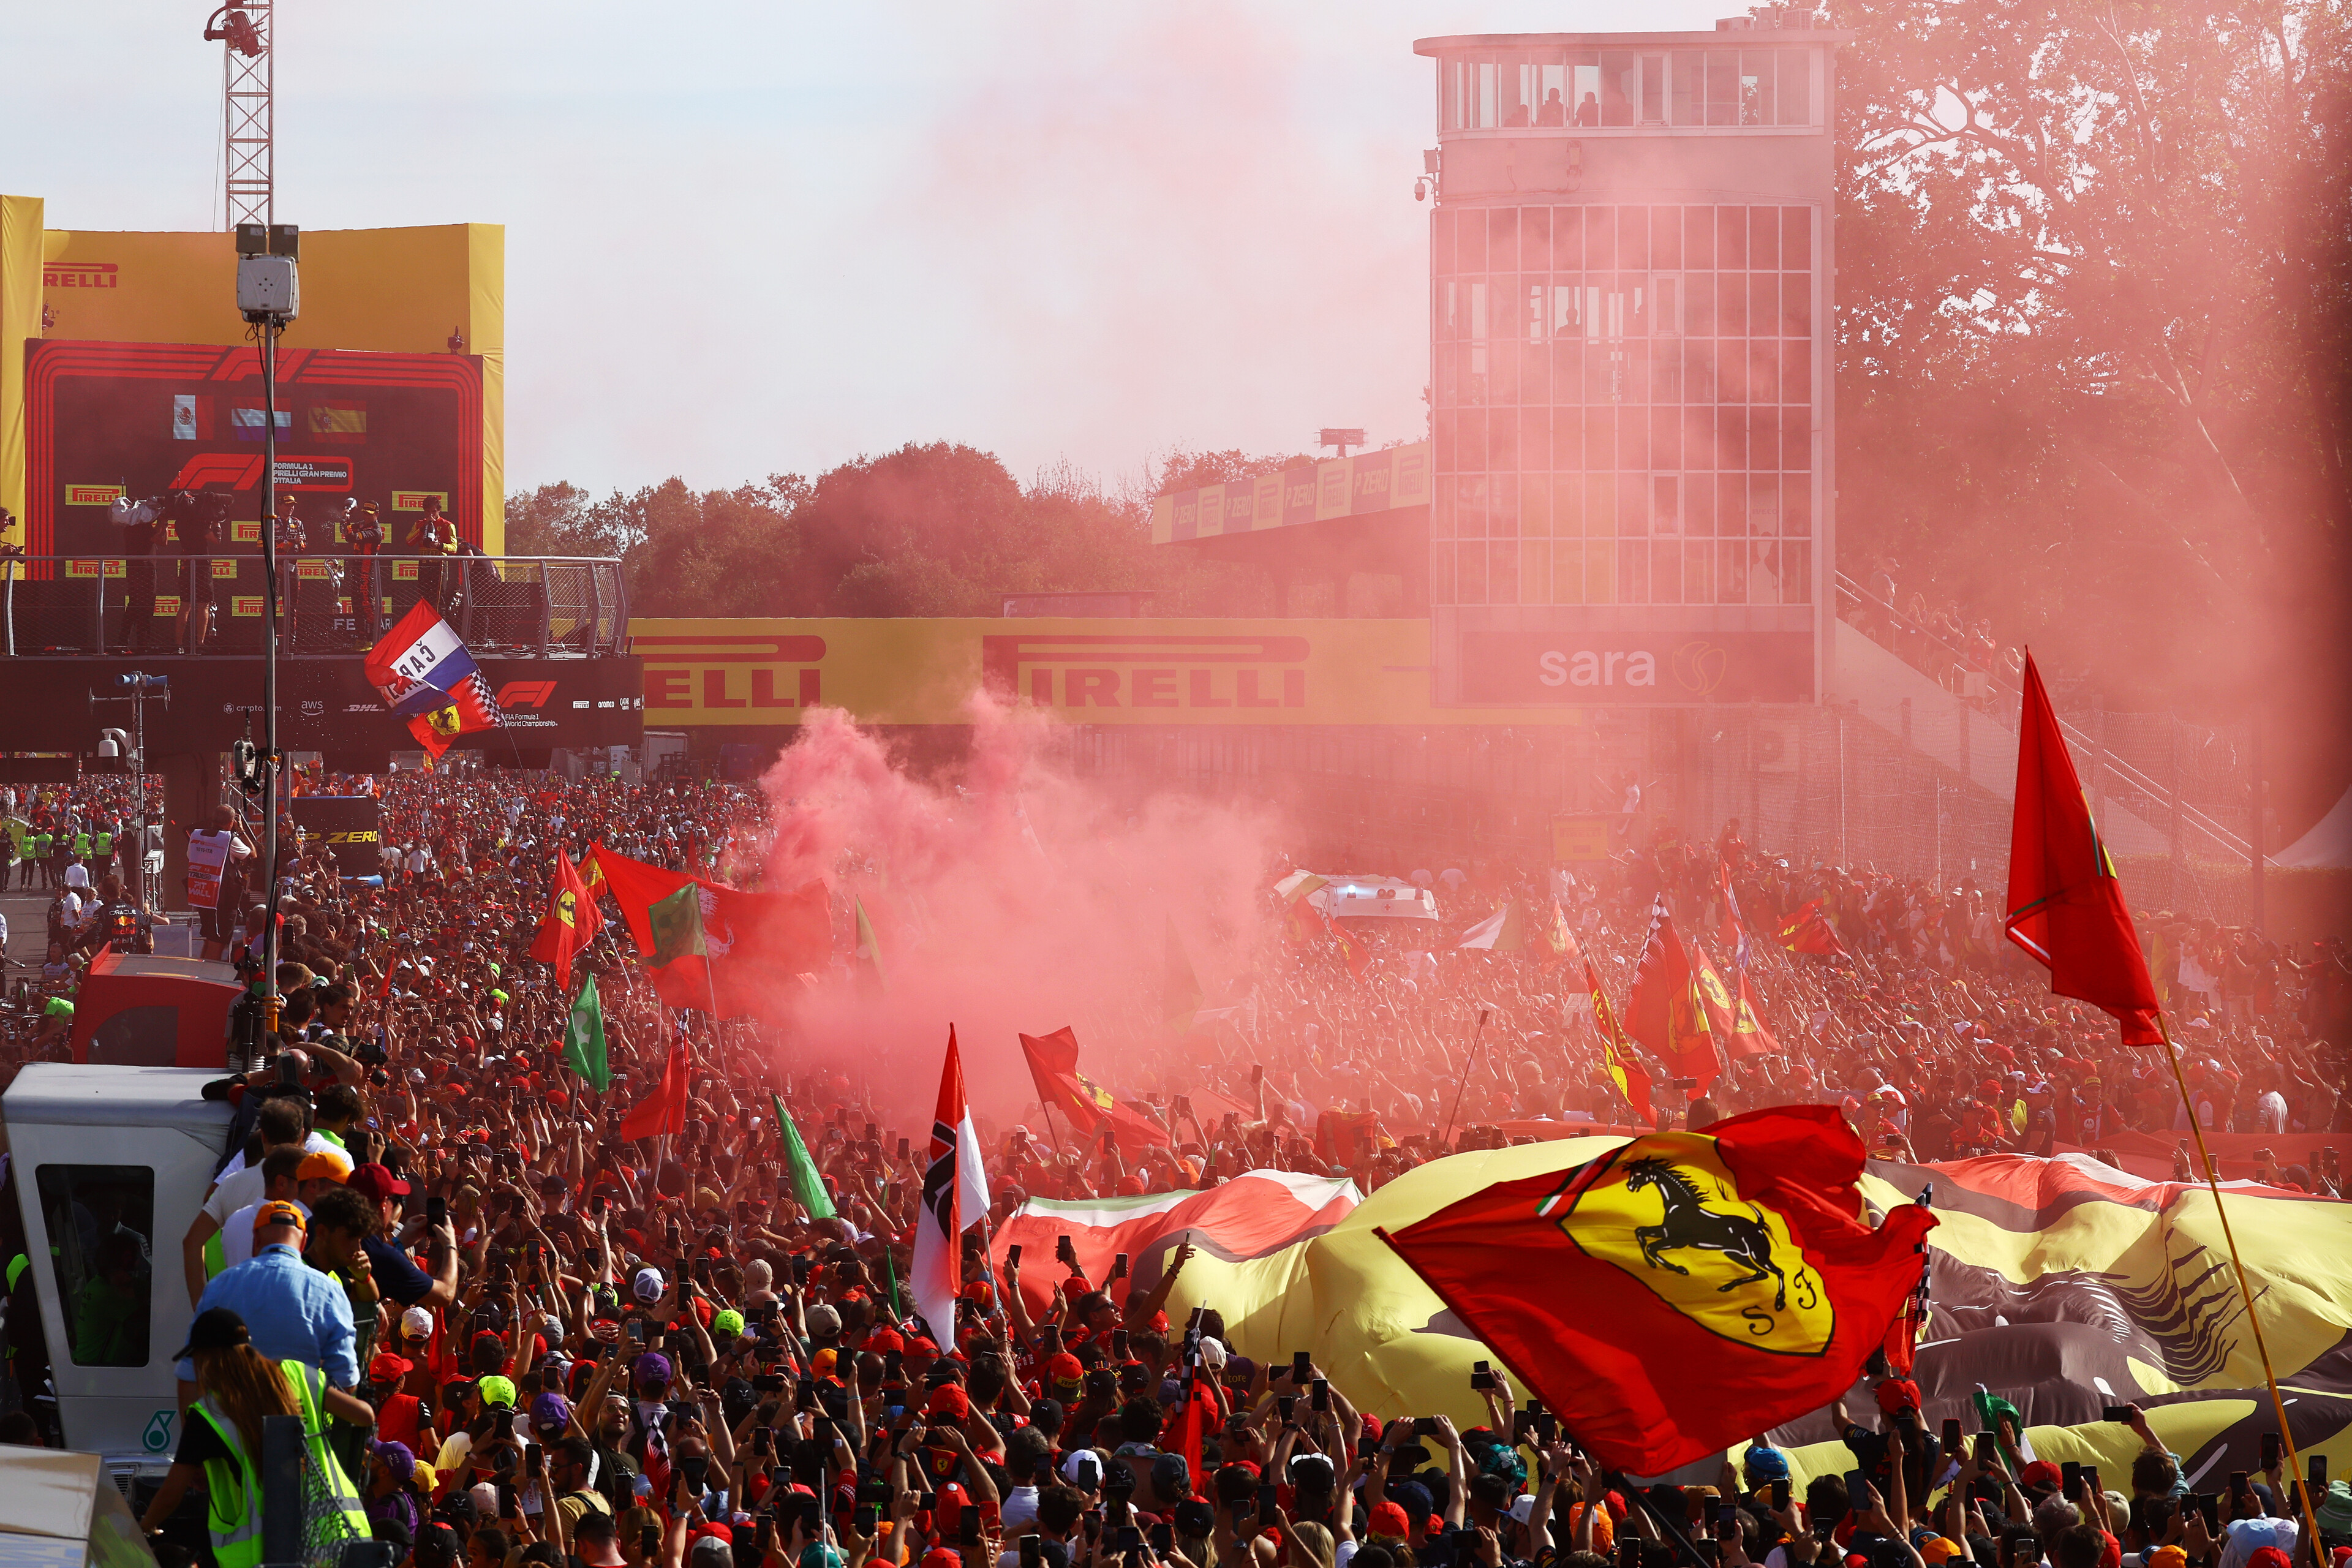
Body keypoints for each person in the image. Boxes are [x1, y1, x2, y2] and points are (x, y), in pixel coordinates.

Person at [136, 1306, 374, 1561]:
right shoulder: (297, 1374)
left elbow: (171, 1495)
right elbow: (364, 1416)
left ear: (207, 1359)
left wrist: (144, 1528)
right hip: (342, 1536)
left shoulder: (209, 1415)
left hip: (271, 1554)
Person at [178, 1202, 360, 1410]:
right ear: (303, 1244)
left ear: (256, 1240)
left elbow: (189, 1375)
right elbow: (346, 1381)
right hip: (300, 1432)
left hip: (231, 1430)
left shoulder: (219, 1286)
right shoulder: (331, 1291)